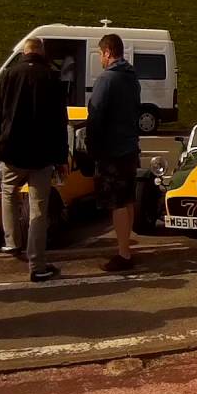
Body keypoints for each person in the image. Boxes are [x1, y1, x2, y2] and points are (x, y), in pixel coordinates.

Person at [0, 38, 67, 282]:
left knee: (9, 193)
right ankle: (37, 263)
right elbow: (59, 122)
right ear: (42, 53)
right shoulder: (51, 78)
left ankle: (12, 241)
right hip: (42, 154)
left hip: (11, 150)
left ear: (24, 52)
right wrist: (61, 157)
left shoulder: (9, 75)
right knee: (38, 209)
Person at [87, 33, 142, 273]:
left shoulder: (106, 80)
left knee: (117, 202)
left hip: (112, 150)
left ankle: (124, 254)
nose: (100, 58)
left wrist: (92, 147)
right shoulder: (132, 78)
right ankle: (126, 246)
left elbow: (96, 115)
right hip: (130, 147)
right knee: (128, 199)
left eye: (100, 54)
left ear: (108, 52)